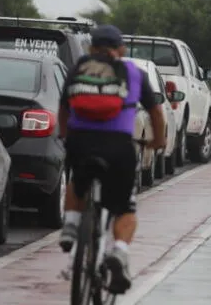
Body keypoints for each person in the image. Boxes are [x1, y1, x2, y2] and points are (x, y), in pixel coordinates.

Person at [57, 25, 166, 294]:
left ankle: (70, 226)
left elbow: (63, 107)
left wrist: (65, 137)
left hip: (81, 141)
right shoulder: (134, 73)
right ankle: (118, 251)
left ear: (92, 48)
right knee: (125, 207)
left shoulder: (80, 67)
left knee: (77, 178)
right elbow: (156, 113)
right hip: (118, 146)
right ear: (121, 49)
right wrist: (157, 141)